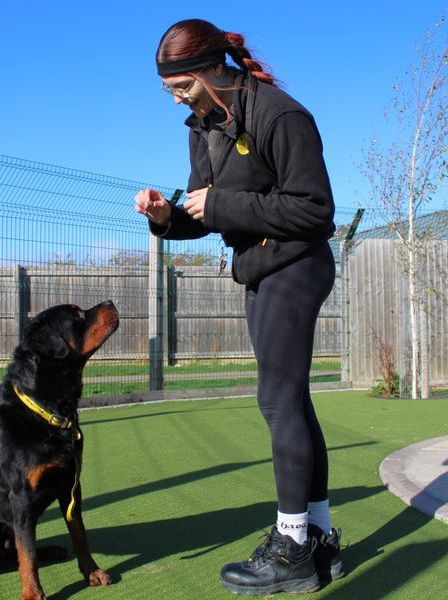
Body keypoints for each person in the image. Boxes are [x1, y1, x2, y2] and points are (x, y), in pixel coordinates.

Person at [134, 19, 343, 595]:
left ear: (210, 71)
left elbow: (315, 211)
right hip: (258, 268)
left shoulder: (280, 115)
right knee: (292, 402)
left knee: (277, 403)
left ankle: (293, 545)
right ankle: (319, 538)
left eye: (182, 85)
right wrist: (165, 218)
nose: (176, 96)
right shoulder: (203, 124)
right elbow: (206, 214)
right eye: (169, 88)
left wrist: (222, 204)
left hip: (296, 265)